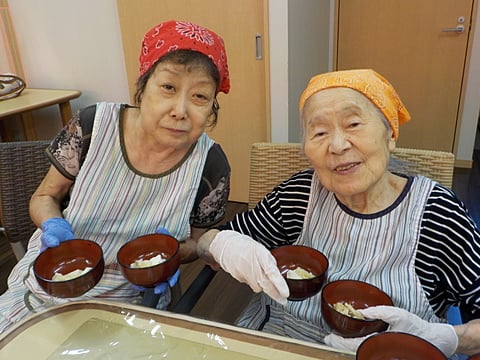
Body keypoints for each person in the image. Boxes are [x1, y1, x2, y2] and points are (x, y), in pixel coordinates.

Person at [197, 69, 480, 358]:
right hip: (281, 345)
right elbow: (209, 243)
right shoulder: (298, 194)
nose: (337, 145)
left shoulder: (437, 215)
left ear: (390, 134)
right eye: (319, 132)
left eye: (354, 124)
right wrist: (220, 245)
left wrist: (448, 339)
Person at [0, 19, 231, 332]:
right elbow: (45, 196)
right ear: (143, 86)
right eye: (168, 87)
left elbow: (197, 240)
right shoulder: (93, 126)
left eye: (200, 97)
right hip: (55, 278)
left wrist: (175, 252)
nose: (180, 110)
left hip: (135, 294)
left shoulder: (210, 164)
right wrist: (51, 223)